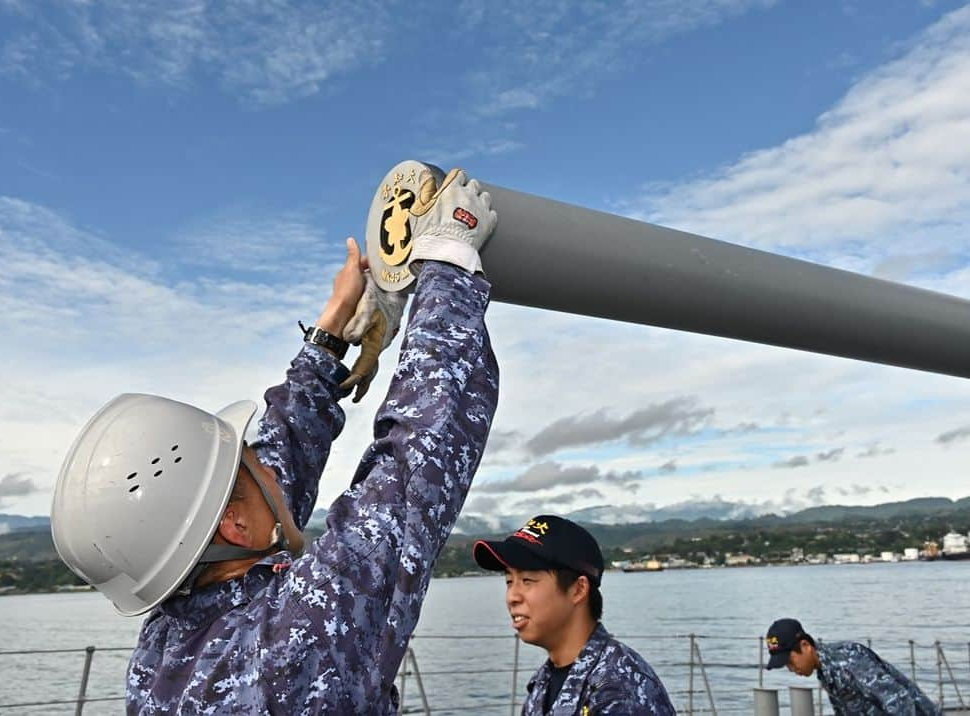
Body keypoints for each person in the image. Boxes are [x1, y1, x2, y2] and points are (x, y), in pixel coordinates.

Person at [50, 169, 499, 714]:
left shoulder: (160, 657)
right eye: (247, 461)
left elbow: (278, 465)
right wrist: (450, 263)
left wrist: (331, 335)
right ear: (234, 526)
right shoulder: (292, 645)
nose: (264, 458)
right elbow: (414, 468)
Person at [473, 515, 677, 715]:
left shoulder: (619, 691)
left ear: (578, 589)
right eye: (509, 581)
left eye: (527, 580)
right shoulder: (543, 681)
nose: (512, 597)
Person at [764, 618, 940, 715]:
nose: (791, 668)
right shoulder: (825, 672)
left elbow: (899, 702)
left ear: (805, 646)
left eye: (790, 661)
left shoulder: (848, 660)